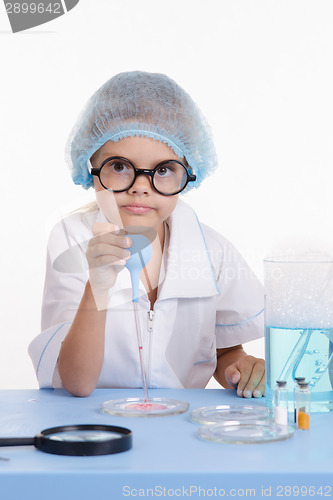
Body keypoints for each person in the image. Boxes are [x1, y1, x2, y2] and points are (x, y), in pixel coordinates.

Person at [29, 71, 265, 398]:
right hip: (96, 427)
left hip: (178, 428)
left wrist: (242, 368)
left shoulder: (213, 251)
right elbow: (77, 382)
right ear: (91, 169)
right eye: (120, 166)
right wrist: (97, 285)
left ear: (188, 173)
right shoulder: (71, 239)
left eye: (163, 170)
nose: (141, 187)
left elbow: (224, 353)